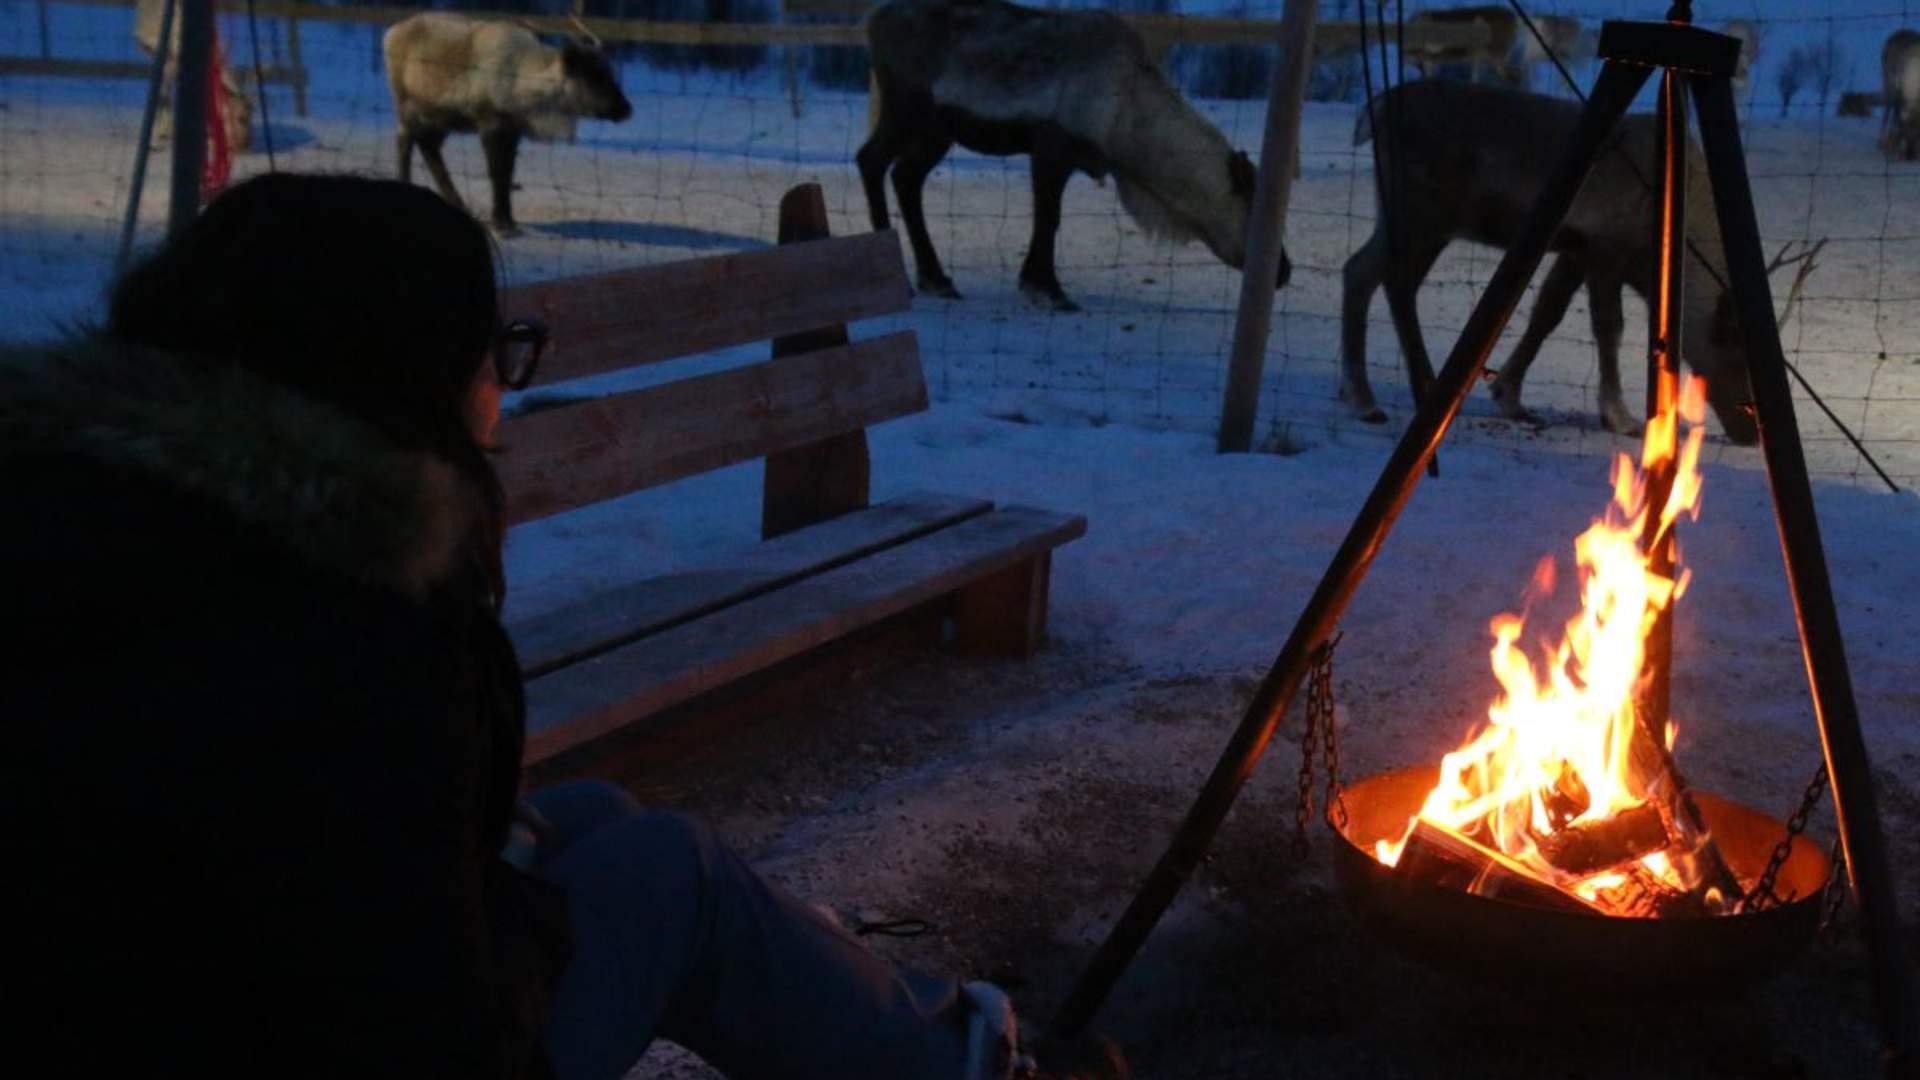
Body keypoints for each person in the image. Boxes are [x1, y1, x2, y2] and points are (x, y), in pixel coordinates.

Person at [4, 174, 1125, 1080]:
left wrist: (501, 877)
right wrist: (525, 930)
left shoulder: (108, 523)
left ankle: (942, 1046)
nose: (502, 382)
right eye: (490, 348)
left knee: (583, 818)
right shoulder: (350, 615)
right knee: (669, 874)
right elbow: (421, 1020)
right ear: (391, 373)